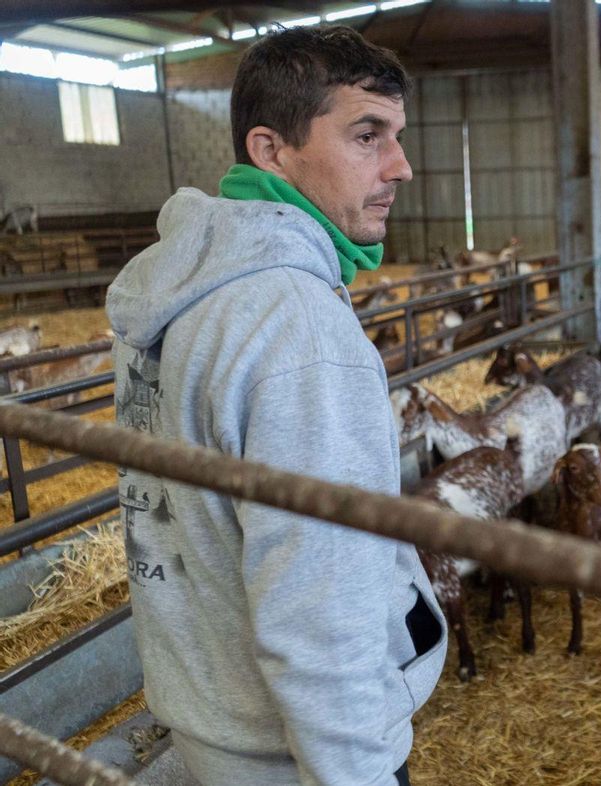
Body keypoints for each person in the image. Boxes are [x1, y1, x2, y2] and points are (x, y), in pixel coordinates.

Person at [106, 25, 445, 786]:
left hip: (207, 716)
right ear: (270, 151)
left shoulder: (166, 296)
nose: (401, 165)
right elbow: (322, 609)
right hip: (297, 755)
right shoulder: (299, 331)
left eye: (396, 136)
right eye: (368, 135)